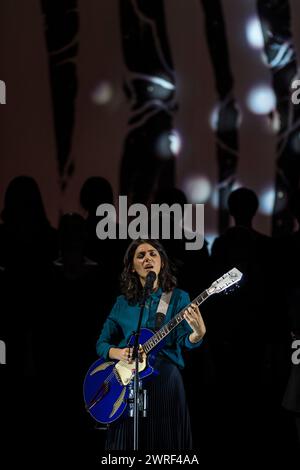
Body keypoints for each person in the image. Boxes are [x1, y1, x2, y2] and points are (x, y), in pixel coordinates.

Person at [95, 238, 206, 450]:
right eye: (141, 255)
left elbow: (186, 340)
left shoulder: (177, 298)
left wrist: (197, 335)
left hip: (165, 382)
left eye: (153, 254)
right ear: (132, 267)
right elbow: (102, 344)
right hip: (127, 383)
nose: (148, 258)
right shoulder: (122, 303)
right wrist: (120, 353)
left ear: (162, 262)